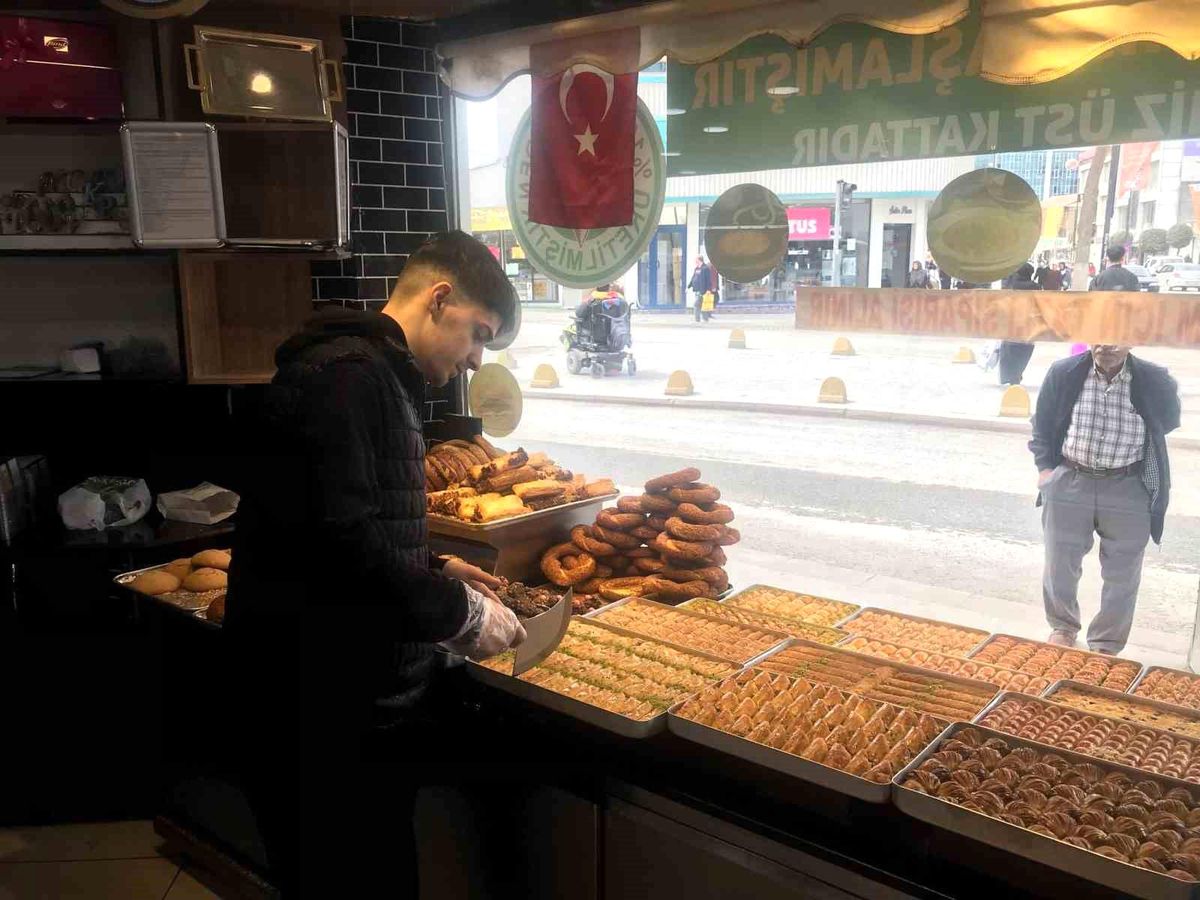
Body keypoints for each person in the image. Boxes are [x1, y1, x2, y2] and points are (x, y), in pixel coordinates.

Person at [227, 231, 527, 898]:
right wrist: (460, 614)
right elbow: (341, 549)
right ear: (439, 299)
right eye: (479, 335)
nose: (477, 360)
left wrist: (435, 563)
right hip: (316, 717)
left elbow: (334, 518)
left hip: (346, 705)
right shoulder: (345, 378)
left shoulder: (377, 374)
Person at [1030, 345, 1180, 655]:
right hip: (1071, 480)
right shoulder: (1064, 372)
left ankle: (1106, 644)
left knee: (1123, 572)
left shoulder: (1154, 378)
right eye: (1100, 333)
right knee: (1060, 562)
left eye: (1116, 336)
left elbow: (1167, 420)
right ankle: (1063, 627)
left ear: (1132, 338)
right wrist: (1046, 471)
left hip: (1128, 485)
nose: (1107, 344)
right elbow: (1041, 424)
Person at [996, 263, 1040, 386]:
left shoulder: (1009, 285)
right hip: (1027, 325)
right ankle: (1017, 374)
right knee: (1024, 351)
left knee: (1009, 351)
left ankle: (1010, 376)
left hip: (1010, 325)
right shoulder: (1035, 286)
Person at [689, 256, 713, 322]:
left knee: (697, 304)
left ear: (699, 260)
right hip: (697, 290)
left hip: (703, 290)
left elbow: (708, 280)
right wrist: (689, 286)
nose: (695, 261)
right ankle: (705, 319)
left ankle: (698, 319)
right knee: (702, 305)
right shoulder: (696, 268)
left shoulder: (705, 268)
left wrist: (708, 290)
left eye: (696, 260)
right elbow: (693, 278)